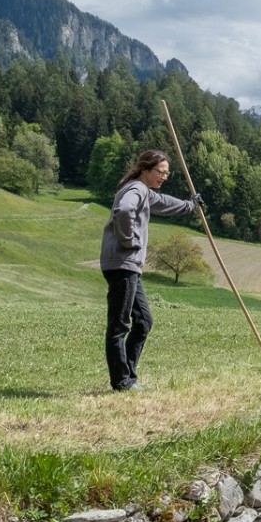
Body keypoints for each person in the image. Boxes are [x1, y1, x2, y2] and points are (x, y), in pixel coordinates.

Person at [99, 150, 200, 392]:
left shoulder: (143, 190)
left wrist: (190, 205)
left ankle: (129, 377)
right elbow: (123, 211)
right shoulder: (136, 189)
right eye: (160, 171)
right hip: (122, 265)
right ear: (145, 169)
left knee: (143, 321)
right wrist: (129, 240)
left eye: (167, 172)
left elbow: (164, 202)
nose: (164, 176)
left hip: (128, 266)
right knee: (119, 326)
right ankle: (121, 382)